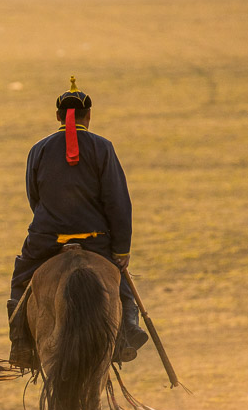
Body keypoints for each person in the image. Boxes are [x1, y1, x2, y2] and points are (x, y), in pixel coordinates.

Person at [8, 77, 147, 367]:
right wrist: (121, 250)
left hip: (47, 238)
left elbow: (34, 197)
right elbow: (117, 201)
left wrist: (53, 221)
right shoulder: (103, 148)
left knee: (22, 278)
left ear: (58, 116)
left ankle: (20, 342)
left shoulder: (39, 149)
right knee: (119, 284)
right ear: (89, 116)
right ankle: (125, 334)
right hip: (96, 239)